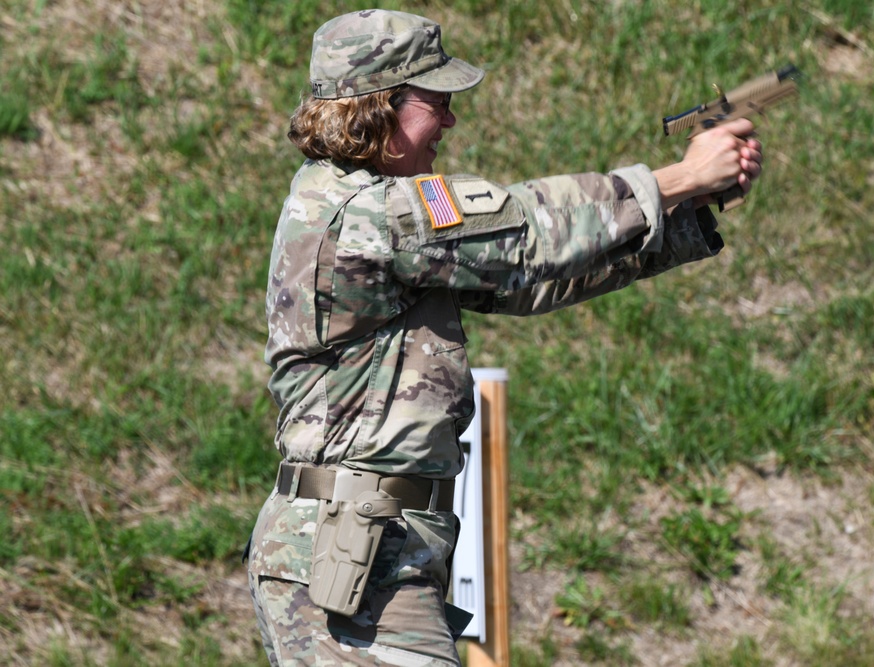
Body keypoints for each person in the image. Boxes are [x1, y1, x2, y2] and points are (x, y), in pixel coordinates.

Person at [246, 8, 763, 667]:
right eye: (437, 101)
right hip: (355, 565)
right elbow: (527, 229)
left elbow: (528, 279)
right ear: (380, 107)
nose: (451, 120)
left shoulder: (362, 212)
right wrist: (677, 179)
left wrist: (684, 214)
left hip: (370, 556)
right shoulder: (366, 215)